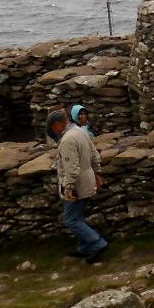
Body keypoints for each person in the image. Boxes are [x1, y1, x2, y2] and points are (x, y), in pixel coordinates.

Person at [48, 108, 108, 262]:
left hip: (77, 185)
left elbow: (71, 168)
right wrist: (97, 173)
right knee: (77, 216)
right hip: (87, 179)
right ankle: (85, 248)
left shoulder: (67, 140)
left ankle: (97, 243)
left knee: (70, 219)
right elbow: (94, 154)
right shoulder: (80, 131)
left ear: (57, 124)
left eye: (51, 127)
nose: (52, 131)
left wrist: (68, 188)